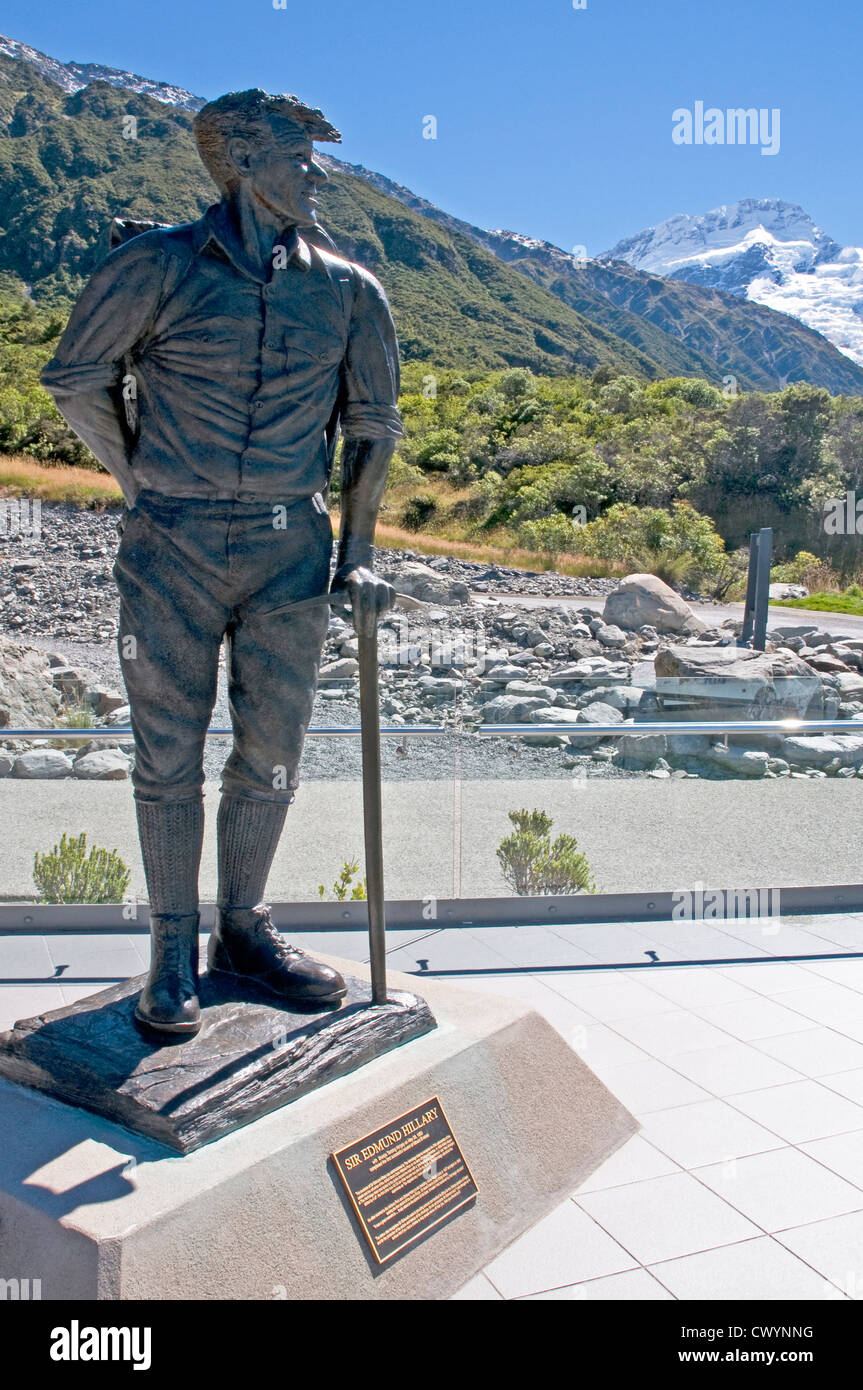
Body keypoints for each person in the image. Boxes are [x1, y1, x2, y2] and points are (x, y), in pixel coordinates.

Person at [42, 89, 402, 1039]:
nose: (316, 175)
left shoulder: (350, 290)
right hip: (172, 543)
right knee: (167, 750)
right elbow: (75, 378)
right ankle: (170, 945)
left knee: (273, 749)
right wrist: (136, 480)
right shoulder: (154, 265)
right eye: (299, 157)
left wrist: (359, 556)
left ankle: (242, 928)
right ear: (241, 161)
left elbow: (372, 426)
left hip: (292, 551)